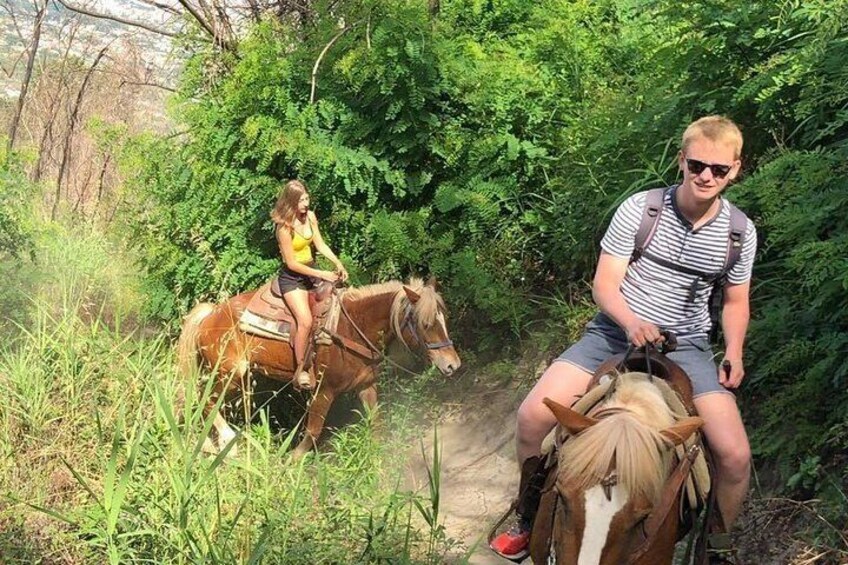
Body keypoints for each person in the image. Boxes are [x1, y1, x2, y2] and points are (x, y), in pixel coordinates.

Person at [489, 115, 757, 563]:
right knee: (532, 418)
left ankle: (715, 548)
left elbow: (735, 301)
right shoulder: (642, 209)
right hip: (614, 334)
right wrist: (632, 321)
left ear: (736, 169)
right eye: (697, 165)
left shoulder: (739, 232)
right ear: (681, 161)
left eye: (719, 169)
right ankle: (527, 516)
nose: (707, 176)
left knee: (734, 457)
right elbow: (605, 283)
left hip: (686, 346)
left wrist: (733, 350)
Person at [271, 180, 349, 390]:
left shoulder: (311, 217)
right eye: (301, 200)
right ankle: (302, 369)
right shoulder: (283, 227)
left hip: (311, 272)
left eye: (306, 198)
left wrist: (337, 263)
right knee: (305, 320)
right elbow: (291, 263)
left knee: (338, 302)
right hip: (292, 278)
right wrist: (322, 273)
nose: (306, 203)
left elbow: (320, 244)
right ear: (291, 202)